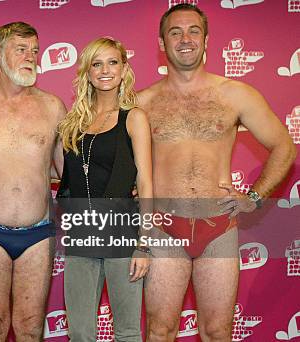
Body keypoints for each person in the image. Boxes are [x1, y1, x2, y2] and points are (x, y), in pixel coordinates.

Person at [138, 4, 296, 341]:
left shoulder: (236, 94)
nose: (185, 39)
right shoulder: (142, 103)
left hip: (219, 229)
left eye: (194, 31)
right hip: (165, 229)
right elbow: (111, 159)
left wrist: (255, 196)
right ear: (162, 43)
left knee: (218, 331)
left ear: (206, 40)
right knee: (160, 330)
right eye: (175, 32)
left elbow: (284, 146)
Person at [0, 22, 67, 341]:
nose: (30, 56)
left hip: (37, 233)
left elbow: (69, 174)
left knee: (31, 325)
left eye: (34, 50)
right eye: (21, 49)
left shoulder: (52, 106)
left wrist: (117, 189)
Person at [57, 37, 152, 342]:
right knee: (80, 333)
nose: (105, 70)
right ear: (87, 72)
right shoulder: (72, 124)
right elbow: (64, 176)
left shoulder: (134, 118)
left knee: (126, 332)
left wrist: (144, 244)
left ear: (124, 69)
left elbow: (146, 183)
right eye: (96, 64)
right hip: (81, 236)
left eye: (113, 62)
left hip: (123, 235)